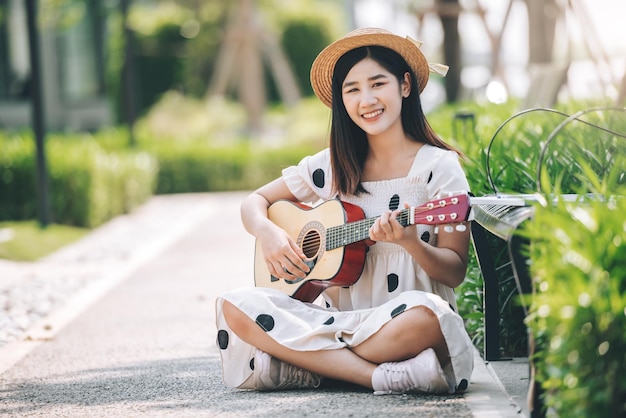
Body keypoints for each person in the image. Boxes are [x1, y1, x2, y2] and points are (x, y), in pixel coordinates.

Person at [215, 27, 474, 395]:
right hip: (337, 320)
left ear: (404, 86)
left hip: (398, 325)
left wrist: (411, 244)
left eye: (377, 84)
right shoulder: (332, 166)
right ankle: (377, 376)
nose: (365, 99)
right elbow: (253, 202)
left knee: (430, 318)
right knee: (236, 306)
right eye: (352, 89)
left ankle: (306, 363)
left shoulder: (438, 167)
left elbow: (455, 272)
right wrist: (268, 233)